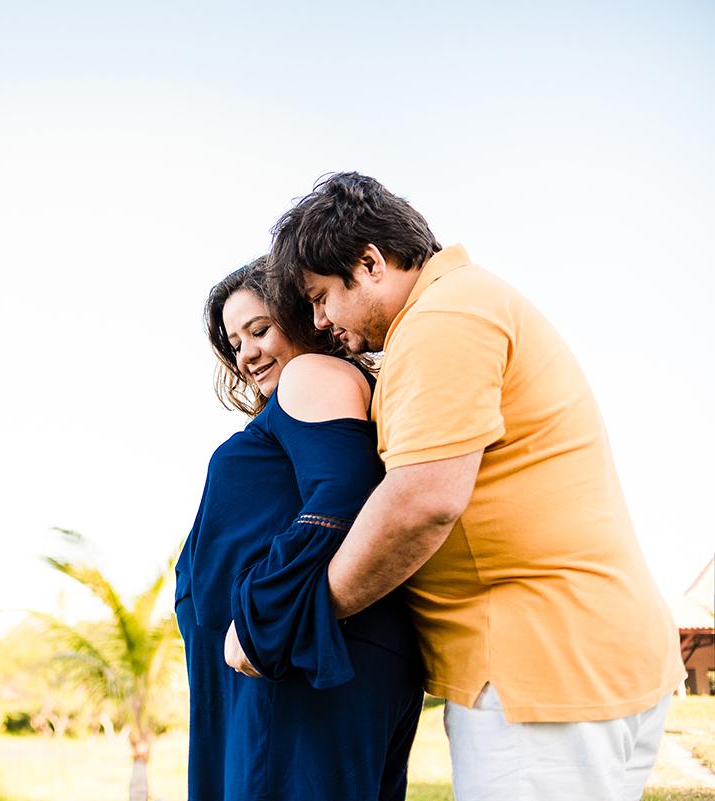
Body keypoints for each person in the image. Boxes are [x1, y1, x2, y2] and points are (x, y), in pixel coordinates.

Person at [253, 172, 685, 801]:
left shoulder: (442, 318)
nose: (319, 323)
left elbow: (422, 502)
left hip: (536, 675)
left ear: (370, 263)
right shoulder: (469, 300)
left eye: (321, 297)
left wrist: (296, 619)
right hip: (587, 661)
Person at [175, 257, 424, 801]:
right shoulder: (300, 397)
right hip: (279, 668)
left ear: (304, 315)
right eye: (234, 342)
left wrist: (263, 615)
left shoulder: (312, 374)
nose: (246, 354)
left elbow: (344, 495)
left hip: (293, 663)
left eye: (259, 330)